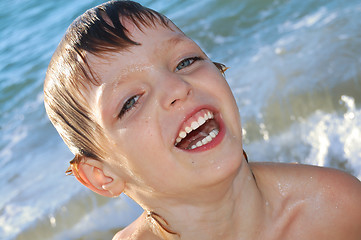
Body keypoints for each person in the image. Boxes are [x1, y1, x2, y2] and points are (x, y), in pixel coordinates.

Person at [44, 1, 361, 239]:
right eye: (130, 102)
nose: (177, 87)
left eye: (186, 61)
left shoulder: (335, 208)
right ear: (101, 175)